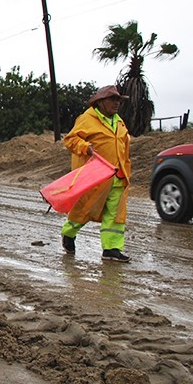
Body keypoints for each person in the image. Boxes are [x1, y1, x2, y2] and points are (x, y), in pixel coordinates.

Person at [60, 85, 132, 262]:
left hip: (118, 176)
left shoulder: (119, 122)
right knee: (84, 210)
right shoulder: (87, 119)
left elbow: (124, 148)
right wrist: (86, 147)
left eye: (118, 100)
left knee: (115, 214)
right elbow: (70, 140)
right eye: (113, 99)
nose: (117, 103)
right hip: (95, 177)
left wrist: (126, 170)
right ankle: (68, 233)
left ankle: (111, 249)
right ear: (100, 102)